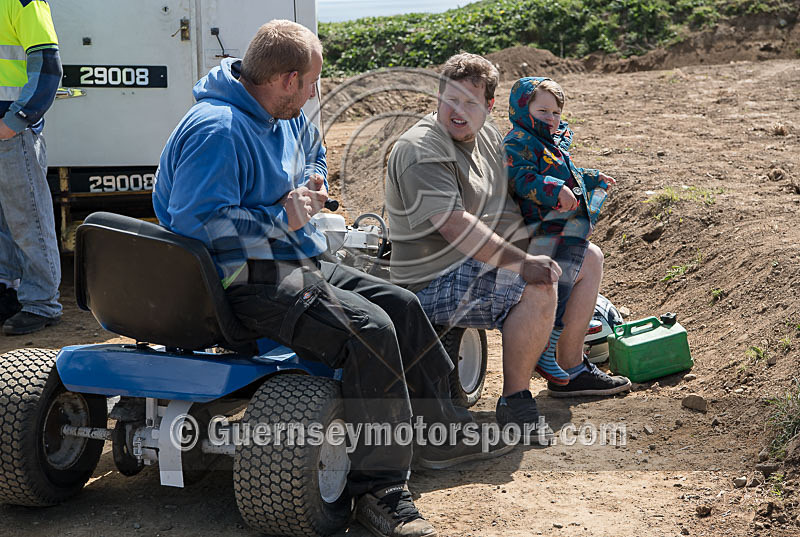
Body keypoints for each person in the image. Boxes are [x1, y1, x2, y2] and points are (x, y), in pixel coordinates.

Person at [153, 20, 510, 537]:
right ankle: (379, 491)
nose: (315, 94)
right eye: (313, 83)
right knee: (370, 331)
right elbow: (196, 223)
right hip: (240, 277)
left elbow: (312, 152)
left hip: (292, 257)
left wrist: (313, 180)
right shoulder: (219, 130)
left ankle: (445, 431)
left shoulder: (282, 113)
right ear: (288, 80)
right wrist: (282, 216)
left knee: (402, 306)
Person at [385, 54, 629, 439]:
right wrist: (524, 261)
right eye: (450, 100)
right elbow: (455, 226)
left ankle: (570, 370)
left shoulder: (486, 134)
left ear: (490, 105)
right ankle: (516, 401)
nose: (458, 111)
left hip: (477, 258)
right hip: (431, 279)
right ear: (437, 96)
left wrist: (555, 220)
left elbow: (510, 194)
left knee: (588, 259)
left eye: (470, 102)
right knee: (537, 283)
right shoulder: (422, 149)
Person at [503, 76, 631, 396]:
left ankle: (566, 362)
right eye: (542, 110)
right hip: (538, 233)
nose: (550, 118)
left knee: (586, 260)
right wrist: (553, 189)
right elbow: (520, 177)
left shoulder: (550, 142)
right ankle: (550, 349)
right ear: (522, 109)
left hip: (560, 230)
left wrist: (591, 178)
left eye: (556, 112)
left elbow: (564, 173)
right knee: (564, 275)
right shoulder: (518, 141)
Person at [0, 0, 63, 336]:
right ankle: (7, 292)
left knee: (28, 219)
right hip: (7, 129)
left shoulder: (25, 2)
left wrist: (16, 120)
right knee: (4, 221)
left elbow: (48, 67)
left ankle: (42, 303)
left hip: (12, 131)